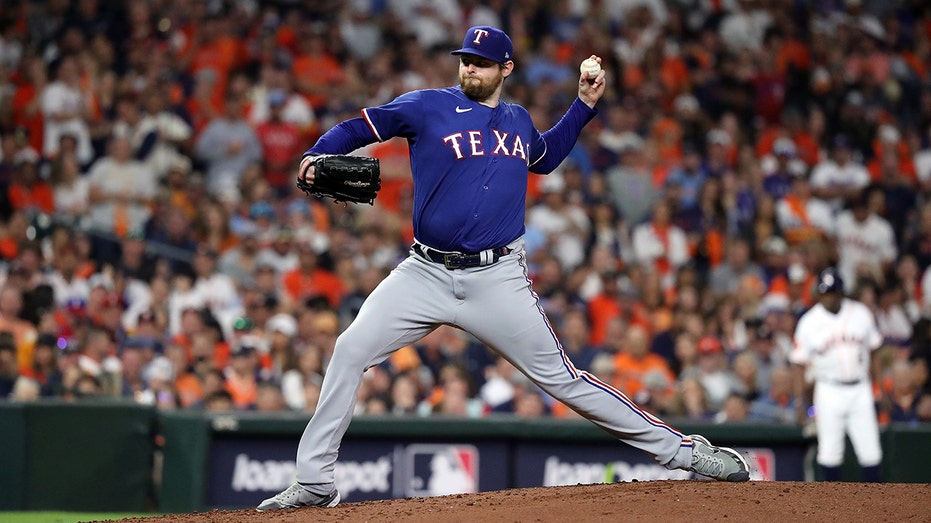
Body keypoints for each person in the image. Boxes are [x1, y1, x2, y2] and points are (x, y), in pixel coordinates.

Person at [258, 26, 749, 512]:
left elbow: (547, 157)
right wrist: (316, 155)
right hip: (423, 272)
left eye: (482, 62)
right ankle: (315, 481)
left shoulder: (517, 120)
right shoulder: (427, 105)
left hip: (497, 278)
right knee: (349, 349)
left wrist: (583, 104)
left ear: (506, 69)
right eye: (466, 59)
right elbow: (358, 127)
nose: (470, 67)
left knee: (564, 378)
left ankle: (685, 452)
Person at [790, 267, 883, 482]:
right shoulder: (808, 322)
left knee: (871, 452)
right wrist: (798, 402)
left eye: (833, 292)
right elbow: (798, 364)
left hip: (861, 388)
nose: (829, 297)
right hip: (828, 390)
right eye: (825, 293)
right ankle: (831, 510)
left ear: (842, 292)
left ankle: (875, 508)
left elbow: (875, 350)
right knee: (830, 452)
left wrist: (881, 389)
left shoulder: (860, 313)